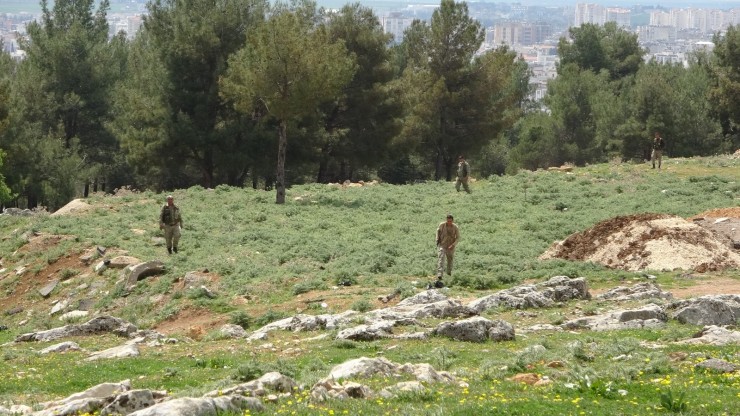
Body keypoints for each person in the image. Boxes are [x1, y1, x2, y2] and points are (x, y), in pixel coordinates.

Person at [436, 214, 460, 283]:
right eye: (448, 221)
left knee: (450, 260)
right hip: (443, 245)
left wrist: (453, 245)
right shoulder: (442, 225)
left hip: (451, 246)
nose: (449, 222)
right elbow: (438, 231)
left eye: (450, 221)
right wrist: (437, 239)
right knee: (441, 258)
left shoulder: (455, 227)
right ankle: (439, 274)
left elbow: (458, 237)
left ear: (452, 221)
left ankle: (449, 273)